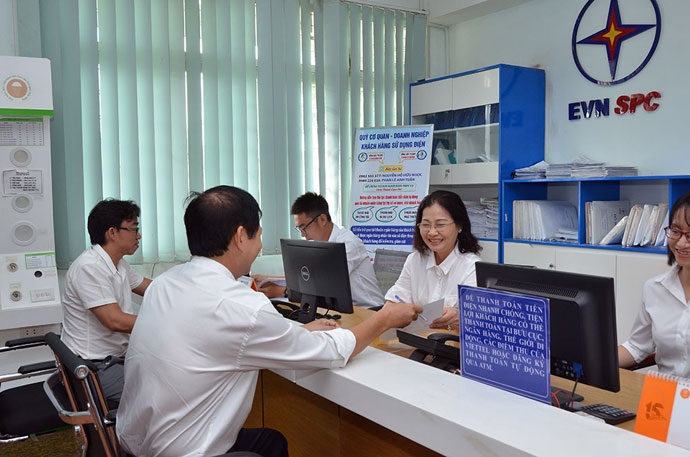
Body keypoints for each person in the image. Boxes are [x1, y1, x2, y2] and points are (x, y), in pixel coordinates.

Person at [116, 185, 420, 457]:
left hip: (137, 440)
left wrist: (296, 331)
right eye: (259, 235)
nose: (260, 245)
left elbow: (217, 337)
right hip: (183, 447)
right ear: (240, 237)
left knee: (271, 443)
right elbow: (330, 352)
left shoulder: (166, 283)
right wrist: (384, 319)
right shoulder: (242, 306)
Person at [61, 199, 152, 408]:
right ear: (112, 232)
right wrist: (165, 322)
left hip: (116, 360)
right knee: (167, 394)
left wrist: (186, 292)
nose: (138, 236)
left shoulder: (117, 263)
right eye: (134, 229)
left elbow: (152, 289)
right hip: (93, 369)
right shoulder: (89, 267)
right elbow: (114, 321)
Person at [254, 192, 385, 308]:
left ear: (322, 219)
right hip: (341, 310)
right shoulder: (318, 245)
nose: (303, 234)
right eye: (299, 229)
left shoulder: (348, 244)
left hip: (368, 310)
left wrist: (282, 291)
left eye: (304, 227)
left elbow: (326, 284)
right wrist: (268, 278)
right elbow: (309, 277)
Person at [384, 190, 482, 331]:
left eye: (440, 224)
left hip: (450, 341)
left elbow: (475, 321)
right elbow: (396, 298)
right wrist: (392, 306)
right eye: (425, 225)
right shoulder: (414, 260)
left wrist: (461, 318)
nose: (432, 232)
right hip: (414, 338)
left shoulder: (472, 267)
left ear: (459, 226)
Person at [618, 191, 690, 377]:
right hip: (664, 392)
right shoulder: (654, 288)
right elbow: (636, 346)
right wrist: (592, 362)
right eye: (676, 232)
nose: (681, 243)